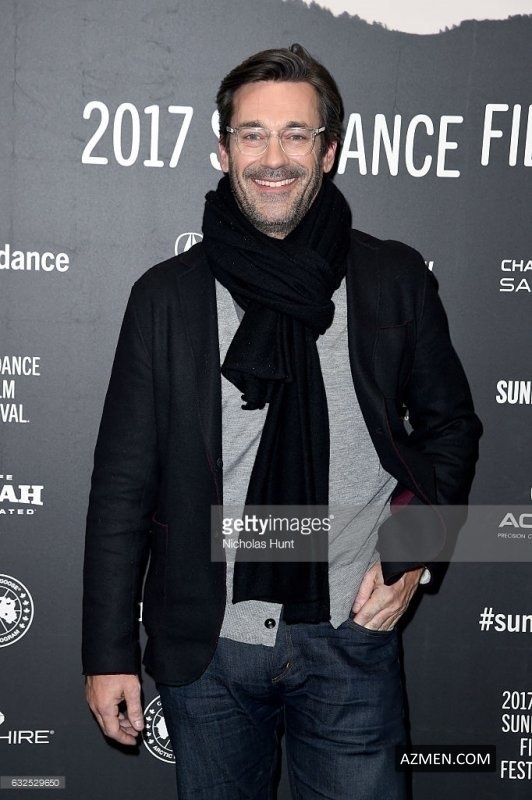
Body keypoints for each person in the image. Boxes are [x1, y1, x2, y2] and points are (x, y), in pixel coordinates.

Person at [83, 44, 482, 799]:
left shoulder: (392, 278)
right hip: (209, 647)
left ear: (328, 151)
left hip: (352, 639)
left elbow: (451, 429)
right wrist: (108, 653)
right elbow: (122, 488)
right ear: (223, 148)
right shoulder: (166, 298)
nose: (274, 158)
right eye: (254, 134)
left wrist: (413, 556)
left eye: (296, 134)